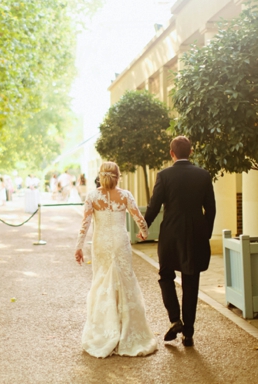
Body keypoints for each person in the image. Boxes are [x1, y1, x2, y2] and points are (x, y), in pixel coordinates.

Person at [75, 161, 157, 358]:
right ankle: (127, 331)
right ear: (118, 176)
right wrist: (143, 232)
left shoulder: (93, 196)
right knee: (125, 282)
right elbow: (139, 219)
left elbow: (85, 224)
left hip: (101, 244)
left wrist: (79, 246)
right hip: (120, 243)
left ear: (100, 176)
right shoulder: (125, 195)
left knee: (102, 282)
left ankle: (104, 332)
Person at [144, 136, 216, 348]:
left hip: (170, 235)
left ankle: (175, 319)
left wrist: (144, 227)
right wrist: (206, 233)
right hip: (195, 235)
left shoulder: (164, 176)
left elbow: (154, 206)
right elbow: (211, 209)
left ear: (171, 153)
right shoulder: (203, 175)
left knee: (166, 275)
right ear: (190, 152)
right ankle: (189, 333)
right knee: (191, 282)